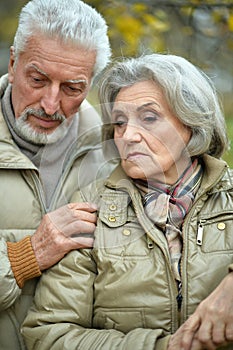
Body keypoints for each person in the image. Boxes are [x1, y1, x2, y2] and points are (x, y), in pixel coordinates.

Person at [22, 53, 233, 350]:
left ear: (191, 123)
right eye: (119, 122)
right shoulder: (89, 205)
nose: (127, 135)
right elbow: (48, 335)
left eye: (149, 118)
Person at [0, 0, 112, 349]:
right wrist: (26, 256)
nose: (50, 104)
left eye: (72, 88)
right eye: (38, 79)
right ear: (13, 61)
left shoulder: (116, 151)